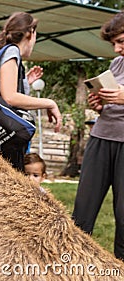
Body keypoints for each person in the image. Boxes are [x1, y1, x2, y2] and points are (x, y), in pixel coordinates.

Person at [72, 11, 124, 261]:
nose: (116, 49)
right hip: (102, 138)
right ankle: (72, 264)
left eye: (121, 41)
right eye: (114, 43)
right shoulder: (116, 64)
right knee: (83, 209)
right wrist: (100, 105)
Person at [0, 12, 62, 172]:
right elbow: (10, 97)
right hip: (5, 141)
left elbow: (2, 91)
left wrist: (24, 83)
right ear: (30, 33)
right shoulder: (11, 51)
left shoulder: (7, 52)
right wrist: (50, 103)